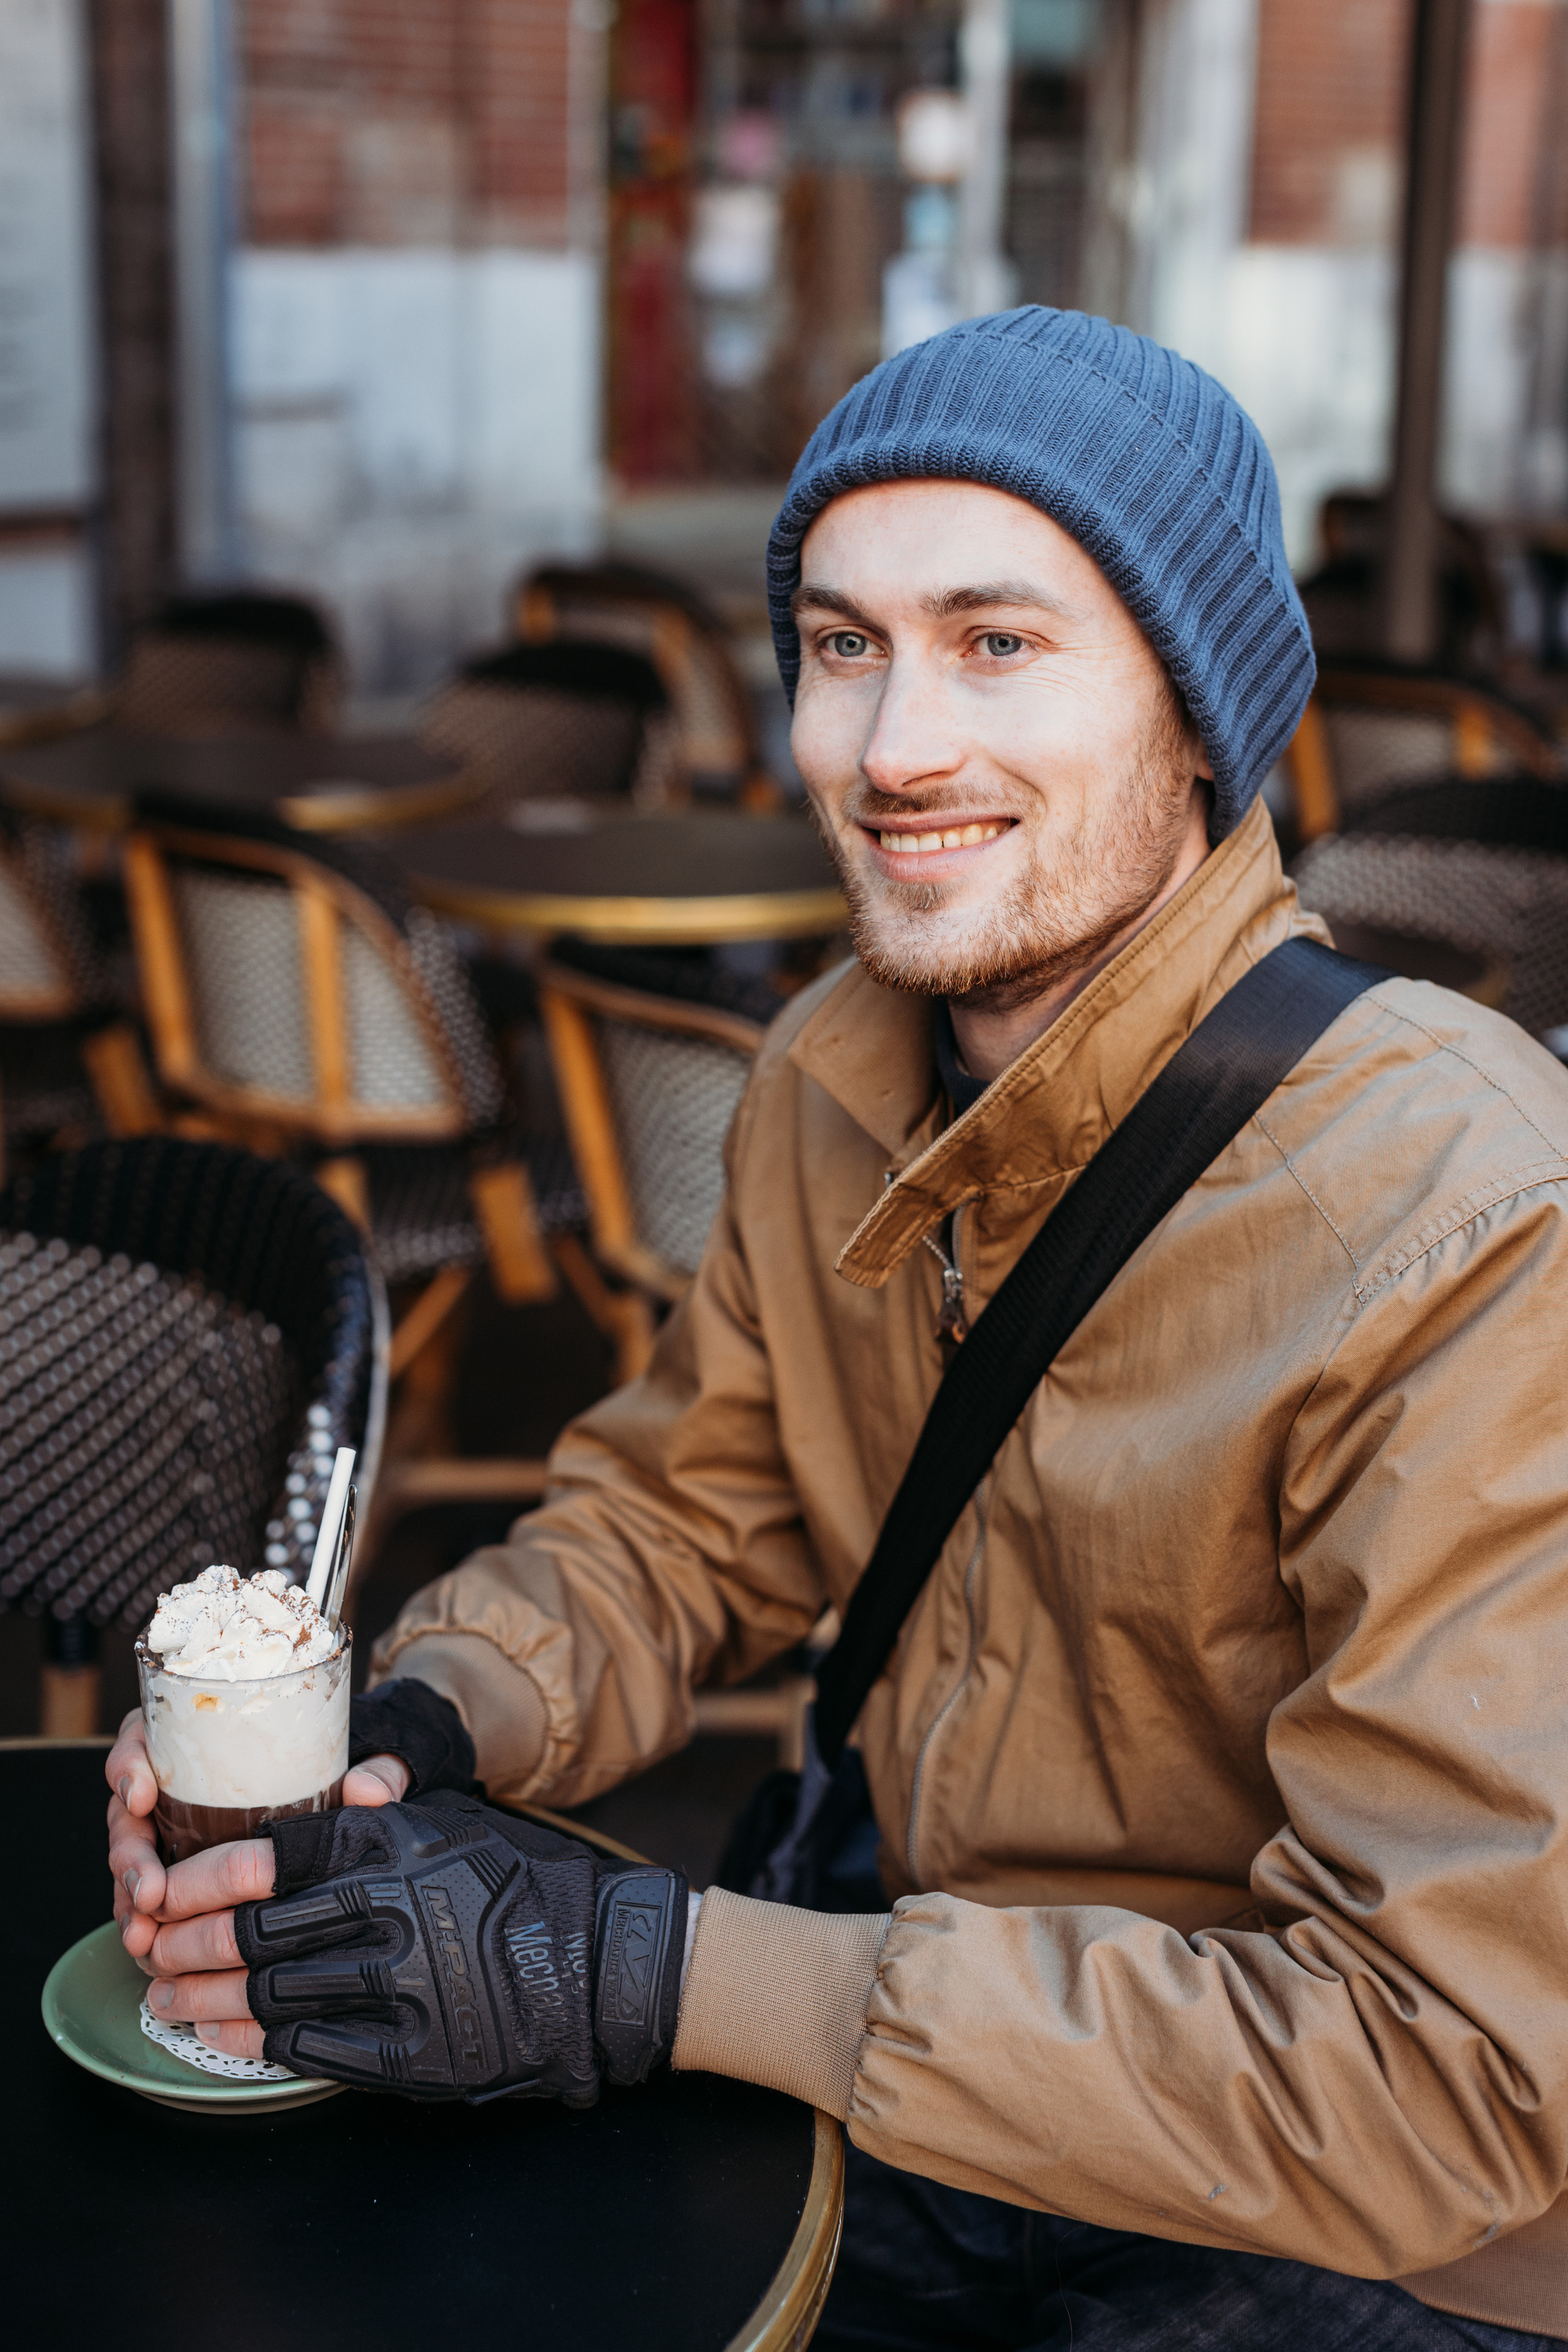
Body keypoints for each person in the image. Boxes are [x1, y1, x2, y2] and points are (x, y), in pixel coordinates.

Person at [107, 309, 1567, 2345]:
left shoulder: (1477, 1210)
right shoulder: (833, 1064)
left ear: (1204, 713)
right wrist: (420, 1723)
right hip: (922, 2049)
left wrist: (656, 1970)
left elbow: (1447, 2082)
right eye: (844, 643)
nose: (891, 754)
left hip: (1330, 2227)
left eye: (1000, 642)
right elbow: (696, 1515)